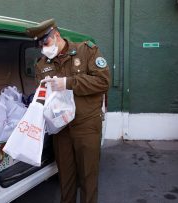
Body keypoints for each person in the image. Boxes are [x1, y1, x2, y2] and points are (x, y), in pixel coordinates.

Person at [26, 19, 110, 203]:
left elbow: (103, 82)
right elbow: (43, 96)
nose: (42, 49)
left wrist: (68, 83)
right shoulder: (42, 65)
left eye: (45, 43)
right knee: (66, 178)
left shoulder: (86, 51)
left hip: (86, 125)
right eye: (39, 45)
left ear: (56, 35)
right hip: (60, 128)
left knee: (88, 176)